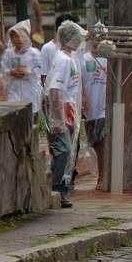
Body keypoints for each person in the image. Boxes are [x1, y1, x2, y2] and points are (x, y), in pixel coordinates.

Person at [46, 21, 87, 209]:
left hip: (69, 110)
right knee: (63, 151)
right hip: (62, 112)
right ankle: (54, 187)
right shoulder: (63, 60)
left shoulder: (69, 58)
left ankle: (61, 188)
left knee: (68, 152)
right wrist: (58, 119)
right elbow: (55, 90)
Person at [81, 31, 109, 189]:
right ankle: (101, 175)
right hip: (91, 108)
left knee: (102, 142)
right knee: (95, 144)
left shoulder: (109, 60)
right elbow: (81, 83)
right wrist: (84, 98)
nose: (98, 41)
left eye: (101, 38)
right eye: (96, 38)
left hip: (105, 109)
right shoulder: (84, 59)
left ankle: (103, 177)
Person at [1, 20, 43, 123]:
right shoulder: (8, 53)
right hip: (13, 90)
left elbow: (40, 70)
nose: (19, 39)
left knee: (30, 119)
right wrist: (11, 72)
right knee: (14, 118)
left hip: (30, 91)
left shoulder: (34, 53)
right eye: (15, 36)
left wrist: (28, 72)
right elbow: (3, 69)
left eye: (21, 36)